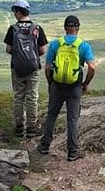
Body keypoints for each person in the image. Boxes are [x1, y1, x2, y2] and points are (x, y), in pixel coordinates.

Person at [37, 15, 95, 161]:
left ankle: (44, 146)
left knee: (52, 115)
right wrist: (85, 83)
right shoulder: (84, 46)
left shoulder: (56, 44)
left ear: (65, 28)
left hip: (57, 85)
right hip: (75, 86)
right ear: (78, 28)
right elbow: (92, 67)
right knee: (72, 119)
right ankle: (72, 152)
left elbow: (48, 67)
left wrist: (51, 82)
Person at [3, 0, 48, 138]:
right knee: (32, 97)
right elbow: (42, 50)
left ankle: (19, 127)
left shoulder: (13, 29)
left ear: (18, 12)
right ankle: (31, 128)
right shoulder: (37, 28)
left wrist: (19, 55)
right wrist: (31, 57)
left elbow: (8, 49)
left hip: (17, 68)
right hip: (33, 68)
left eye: (14, 12)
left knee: (18, 97)